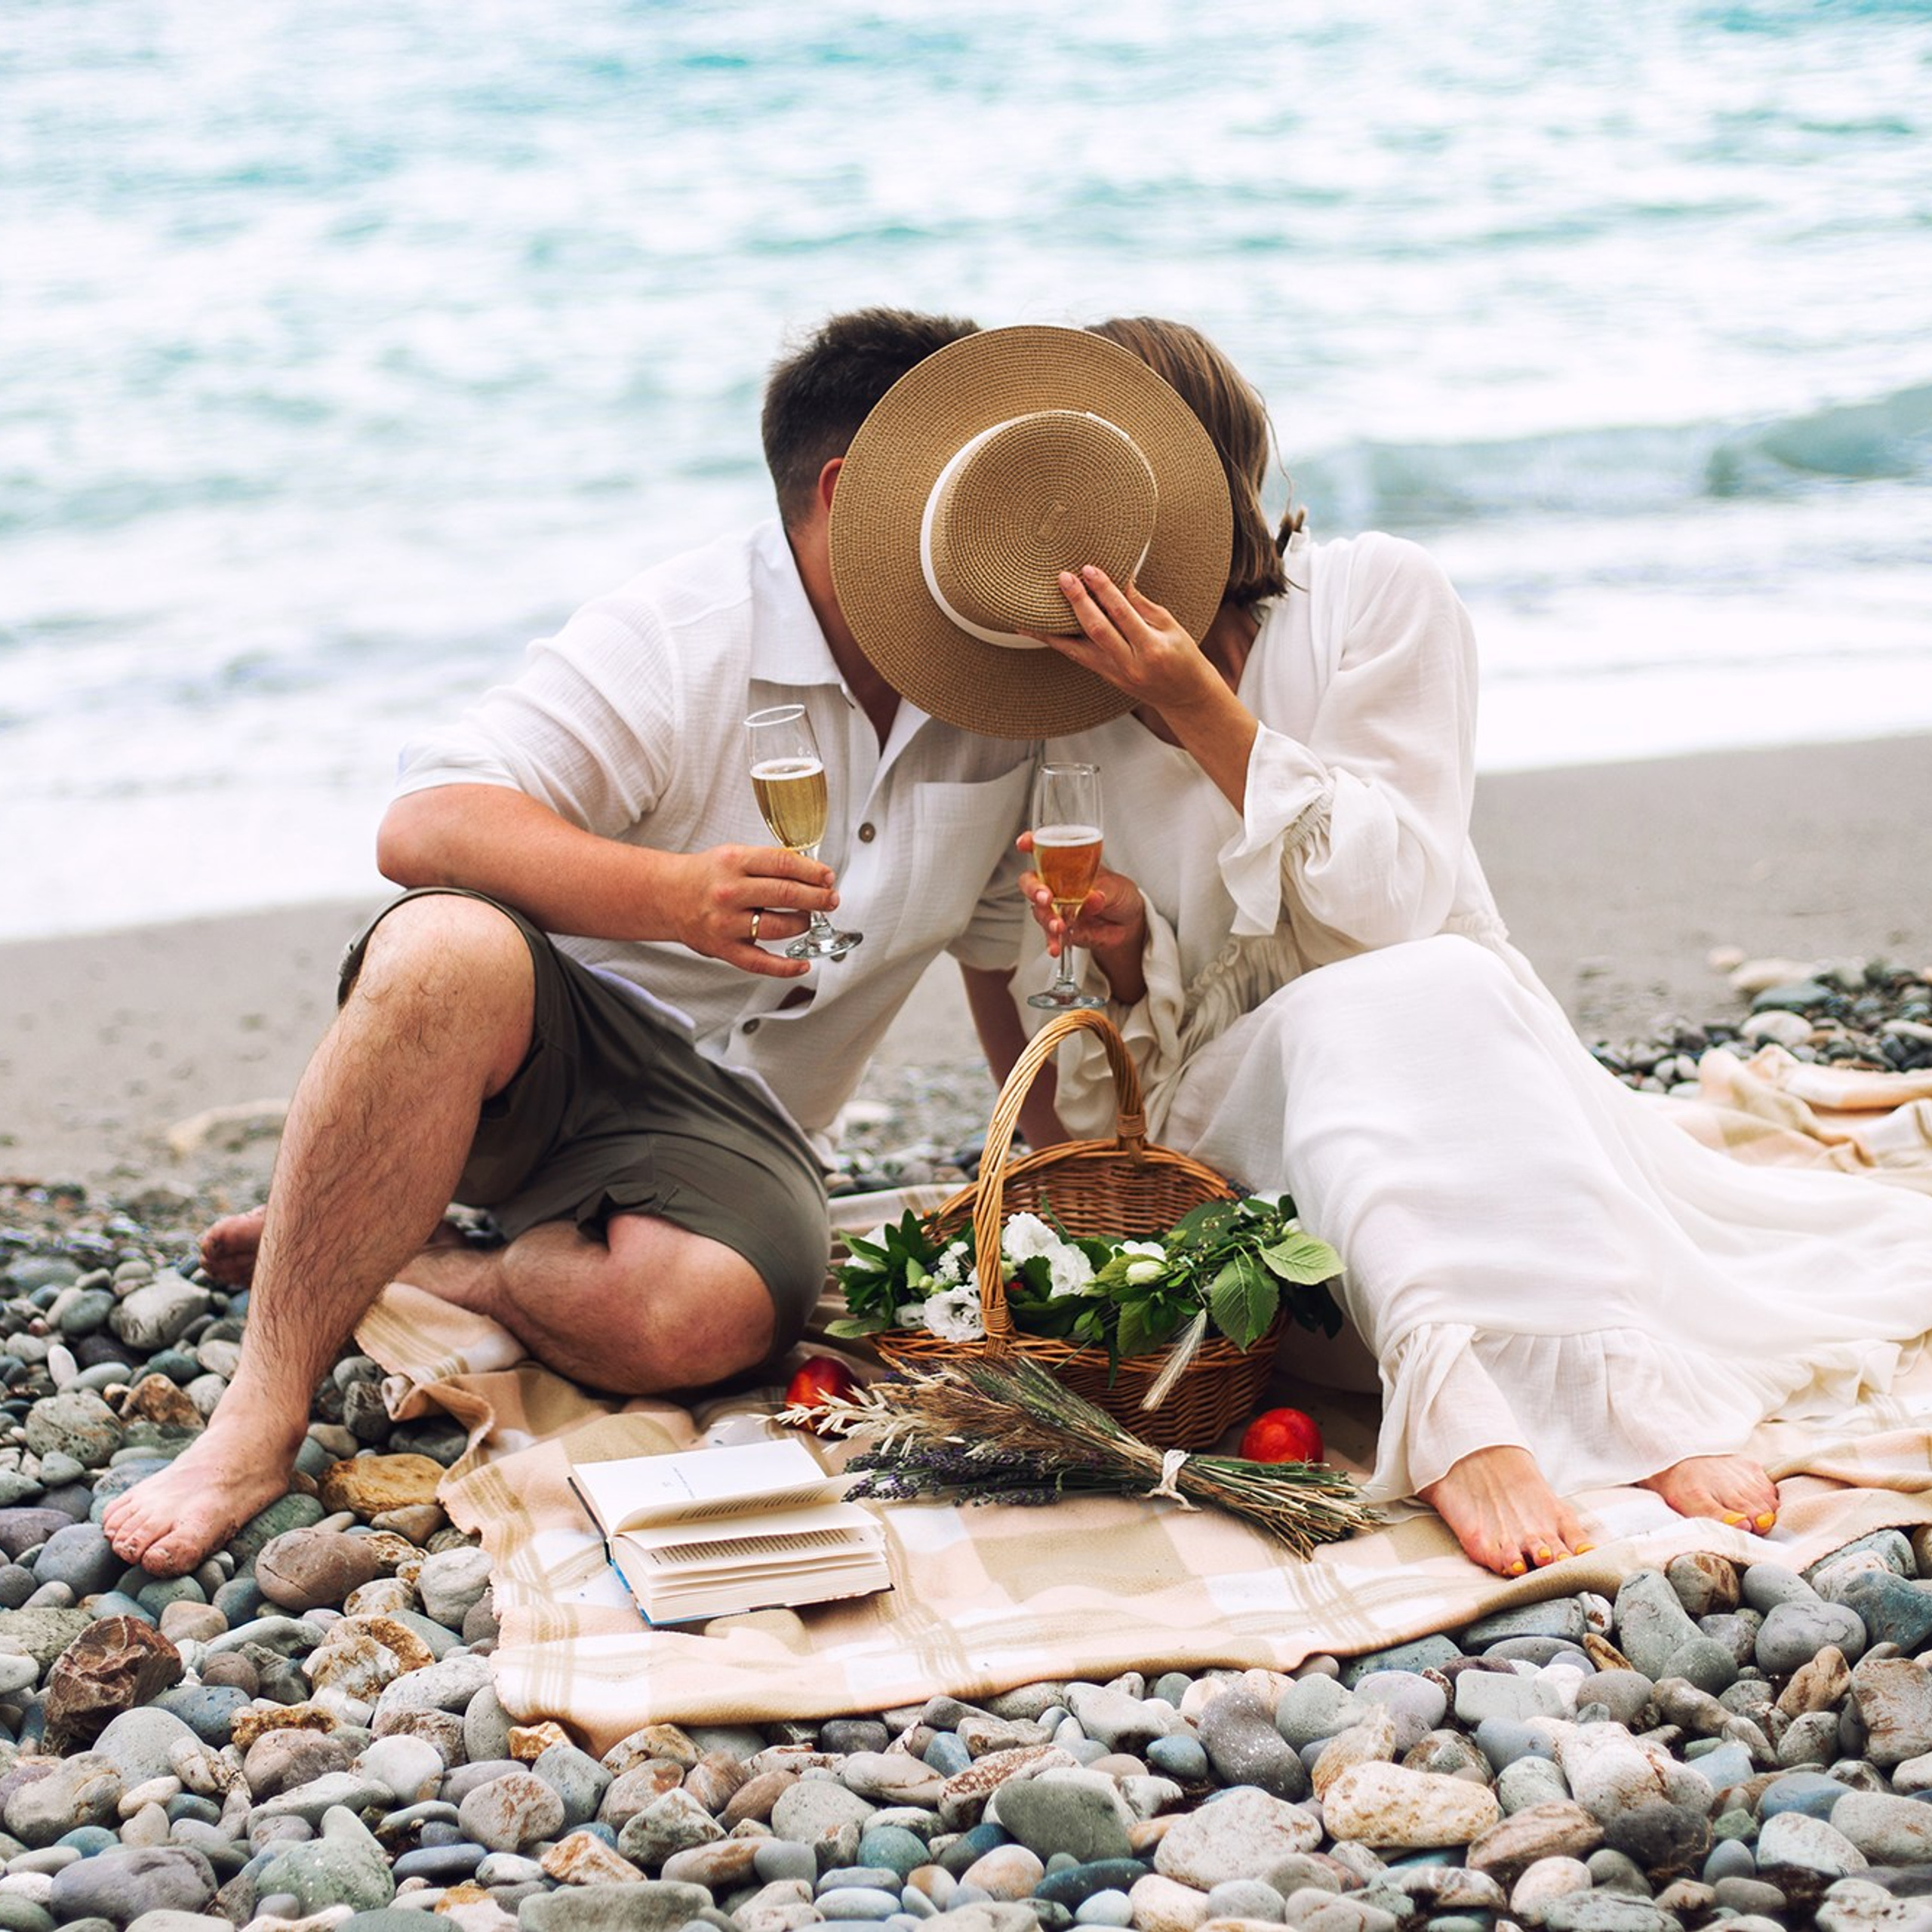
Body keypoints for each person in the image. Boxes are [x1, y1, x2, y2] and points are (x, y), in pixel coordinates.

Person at [824, 318, 1932, 1578]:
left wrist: (1202, 711)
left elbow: (1399, 906)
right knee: (1356, 1017)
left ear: (1195, 495)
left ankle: (1617, 1392)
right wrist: (1127, 960)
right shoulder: (1057, 736)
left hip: (1472, 1089)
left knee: (1424, 986)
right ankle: (1470, 1421)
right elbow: (1103, 1103)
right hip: (1276, 1184)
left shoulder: (1376, 601)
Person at [104, 307, 1048, 1579]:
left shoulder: (995, 685)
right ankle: (254, 1421)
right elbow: (425, 821)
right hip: (551, 1064)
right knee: (442, 947)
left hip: (739, 1139)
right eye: (964, 494)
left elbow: (1003, 974)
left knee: (702, 1317)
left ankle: (431, 1258)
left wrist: (1057, 1196)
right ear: (846, 494)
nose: (994, 530)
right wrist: (667, 895)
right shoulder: (680, 631)